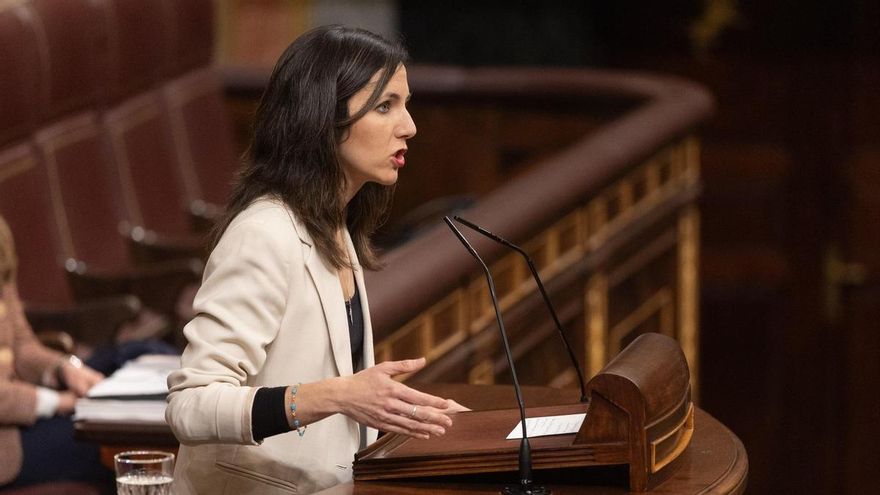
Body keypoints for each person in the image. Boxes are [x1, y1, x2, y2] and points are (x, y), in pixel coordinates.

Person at [165, 25, 466, 494]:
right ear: (323, 118)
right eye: (386, 106)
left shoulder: (336, 225)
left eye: (406, 105)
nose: (409, 126)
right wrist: (339, 395)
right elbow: (191, 406)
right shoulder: (262, 234)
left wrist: (409, 414)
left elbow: (341, 410)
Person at [0, 214, 111, 488]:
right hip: (6, 446)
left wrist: (63, 368)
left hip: (19, 419)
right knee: (106, 445)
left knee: (138, 352)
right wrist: (58, 402)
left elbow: (22, 344)